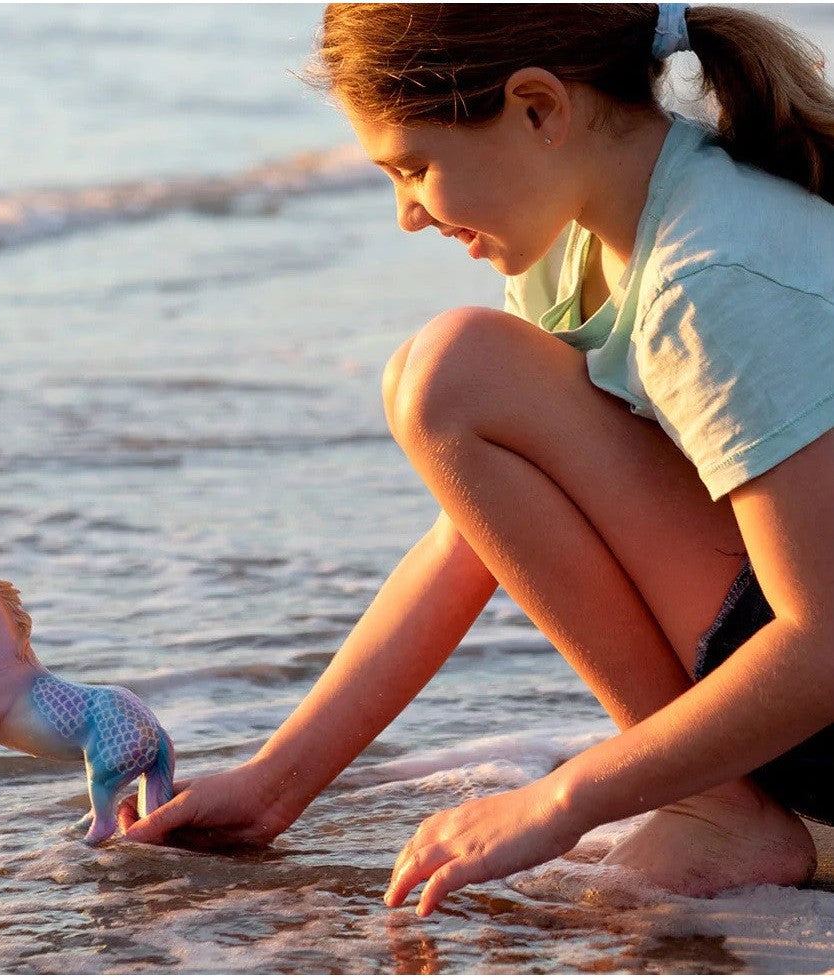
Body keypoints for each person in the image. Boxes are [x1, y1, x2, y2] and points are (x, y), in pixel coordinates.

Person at [119, 3, 834, 917]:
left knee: (454, 367)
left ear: (539, 110)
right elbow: (477, 531)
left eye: (414, 168)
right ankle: (716, 797)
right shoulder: (577, 243)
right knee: (449, 375)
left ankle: (715, 806)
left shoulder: (714, 276)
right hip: (791, 701)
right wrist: (276, 782)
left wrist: (562, 800)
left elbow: (821, 648)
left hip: (812, 695)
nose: (407, 215)